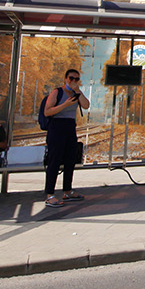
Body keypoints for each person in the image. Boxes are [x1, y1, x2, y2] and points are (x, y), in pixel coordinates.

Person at [44, 68, 89, 207]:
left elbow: (86, 105)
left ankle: (67, 190)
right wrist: (65, 104)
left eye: (77, 79)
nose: (74, 81)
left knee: (70, 159)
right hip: (57, 127)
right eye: (71, 78)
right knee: (55, 161)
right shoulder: (57, 92)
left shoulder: (76, 93)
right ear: (66, 79)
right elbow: (47, 111)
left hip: (70, 127)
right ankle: (50, 194)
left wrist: (78, 91)